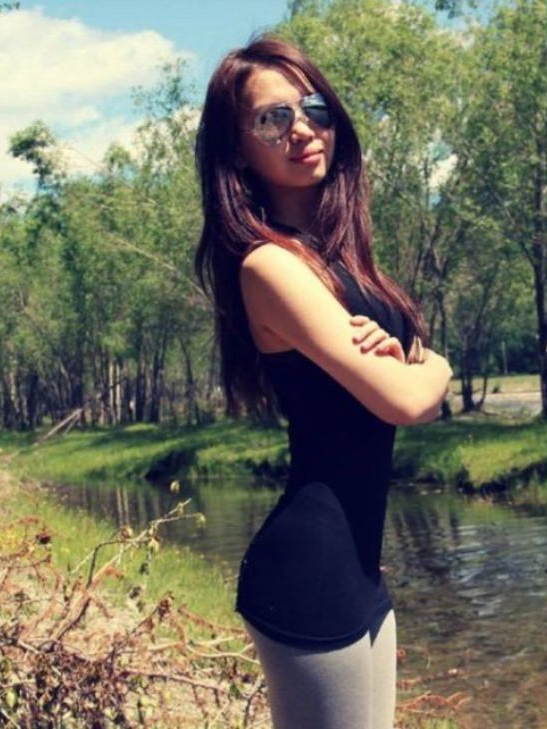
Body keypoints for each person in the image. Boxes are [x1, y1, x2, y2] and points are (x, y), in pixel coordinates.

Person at [194, 34, 453, 729]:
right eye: (272, 118)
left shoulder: (343, 262)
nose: (302, 129)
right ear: (236, 150)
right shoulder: (269, 266)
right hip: (309, 576)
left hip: (362, 570)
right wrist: (436, 366)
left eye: (314, 110)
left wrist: (410, 372)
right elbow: (408, 397)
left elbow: (412, 401)